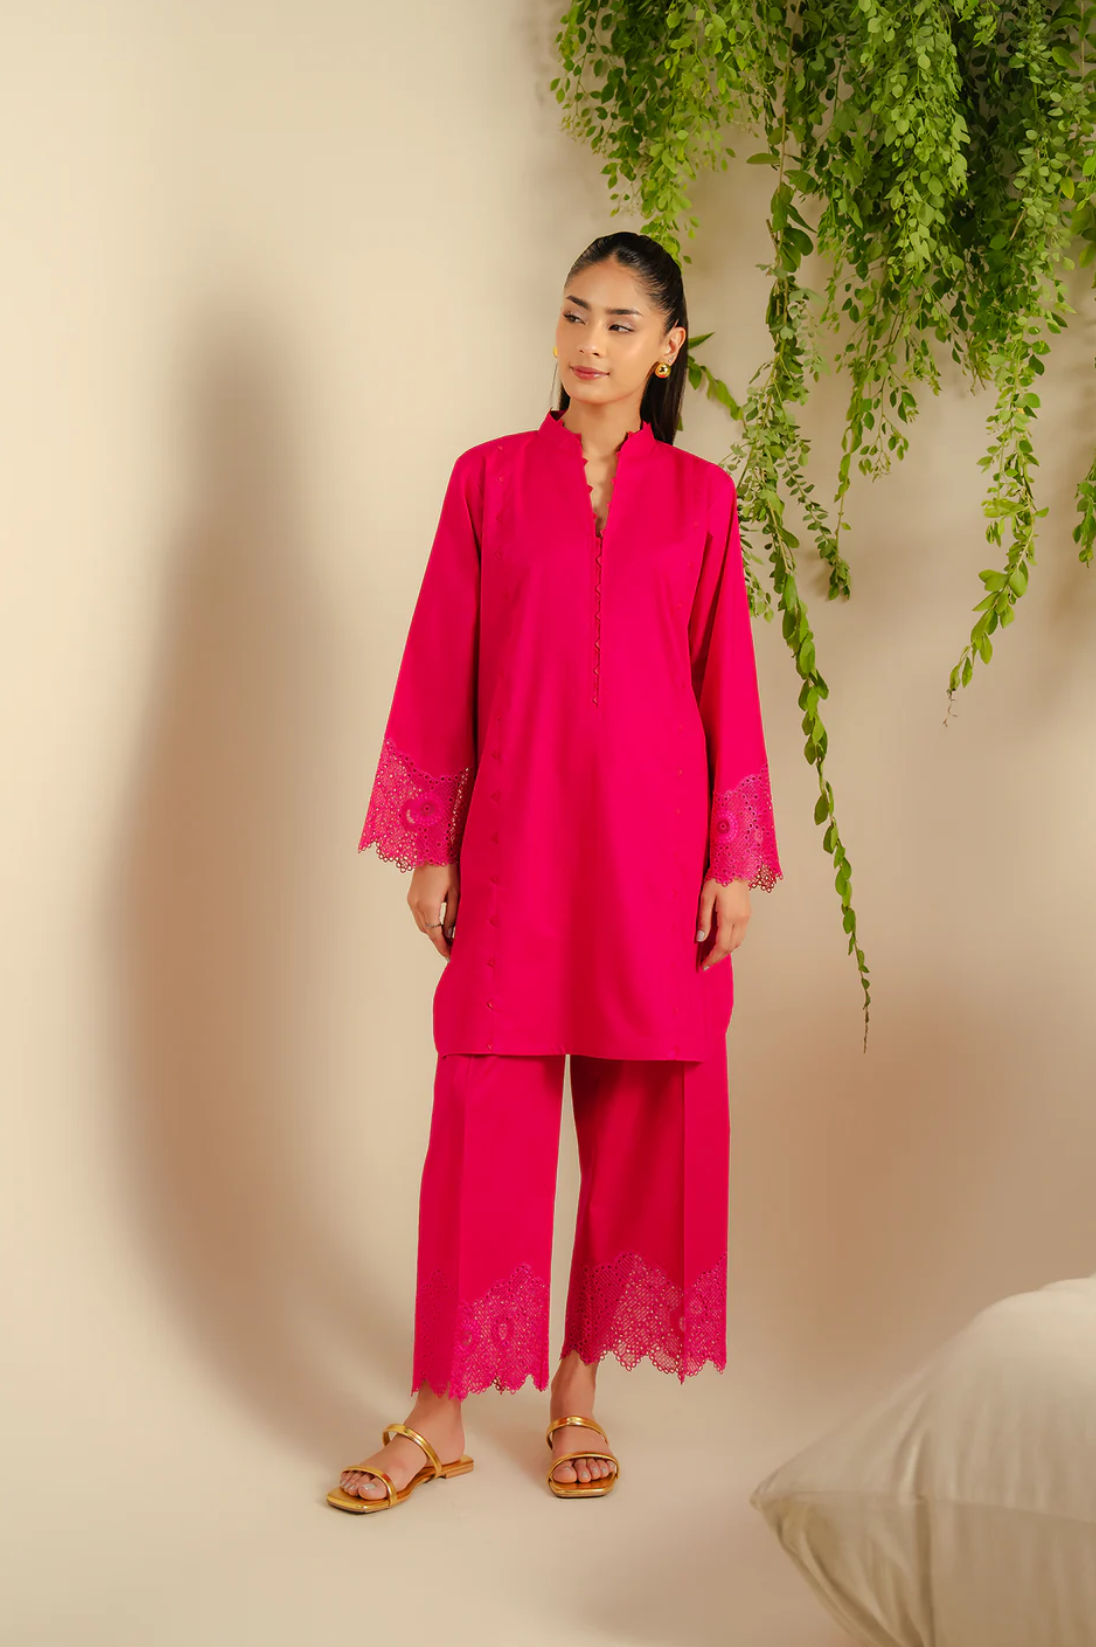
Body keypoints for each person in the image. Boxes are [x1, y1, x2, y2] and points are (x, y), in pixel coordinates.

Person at [327, 230, 783, 1513]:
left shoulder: (702, 501)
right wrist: (429, 845)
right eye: (576, 314)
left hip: (655, 851)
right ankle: (440, 1411)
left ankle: (577, 1389)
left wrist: (733, 863)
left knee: (640, 1112)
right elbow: (440, 660)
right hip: (518, 843)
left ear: (669, 348)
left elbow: (727, 684)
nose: (591, 342)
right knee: (485, 1108)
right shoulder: (487, 481)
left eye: (622, 323)